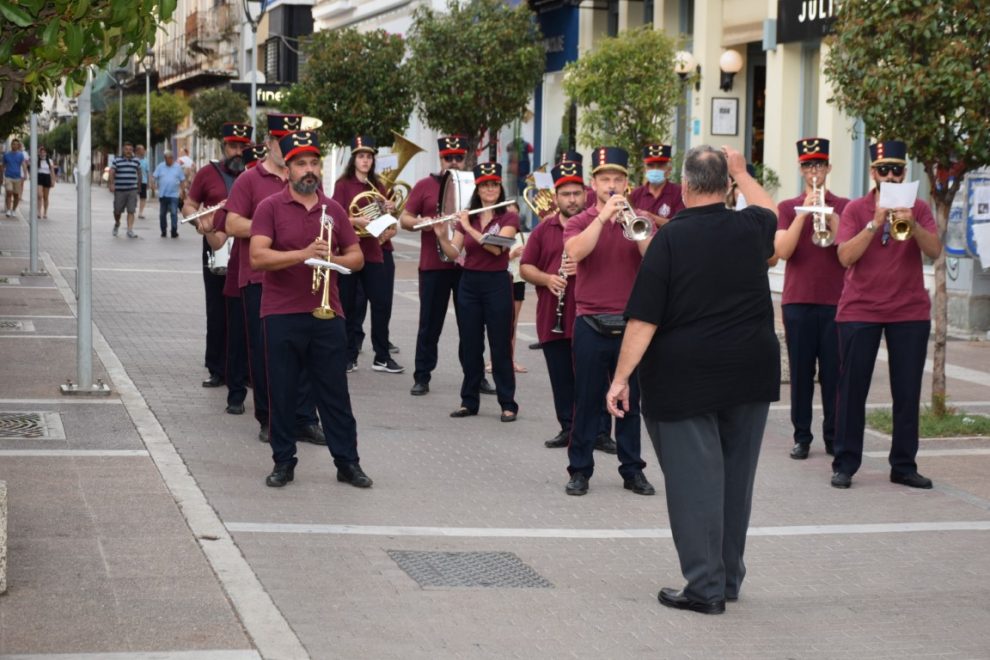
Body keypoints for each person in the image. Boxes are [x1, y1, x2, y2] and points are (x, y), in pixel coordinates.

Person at [606, 145, 780, 614]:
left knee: (694, 483)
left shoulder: (669, 240)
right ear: (726, 187)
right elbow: (770, 210)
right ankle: (725, 579)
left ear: (683, 188)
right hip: (750, 373)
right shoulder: (750, 227)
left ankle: (704, 588)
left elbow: (643, 320)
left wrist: (620, 378)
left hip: (686, 379)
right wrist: (744, 172)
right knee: (735, 482)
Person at [250, 129, 372, 489]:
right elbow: (258, 256)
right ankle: (283, 462)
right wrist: (303, 255)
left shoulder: (332, 209)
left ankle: (347, 463)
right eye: (301, 163)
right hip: (280, 313)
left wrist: (330, 258)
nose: (309, 170)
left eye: (314, 163)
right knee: (282, 392)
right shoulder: (269, 207)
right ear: (287, 169)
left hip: (327, 313)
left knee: (334, 392)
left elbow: (358, 258)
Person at [831, 140, 942, 490]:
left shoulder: (919, 207)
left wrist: (914, 224)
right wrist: (873, 223)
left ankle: (904, 465)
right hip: (860, 308)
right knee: (852, 389)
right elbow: (845, 257)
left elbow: (935, 251)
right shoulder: (854, 209)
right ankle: (845, 464)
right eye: (884, 170)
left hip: (908, 310)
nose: (890, 176)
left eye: (897, 170)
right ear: (873, 173)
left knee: (907, 391)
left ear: (905, 172)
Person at [226, 113, 325, 447]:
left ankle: (305, 419)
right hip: (260, 278)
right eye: (280, 140)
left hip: (306, 278)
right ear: (269, 143)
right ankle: (269, 419)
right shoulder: (249, 180)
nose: (285, 147)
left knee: (309, 353)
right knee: (266, 354)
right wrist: (273, 224)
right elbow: (232, 223)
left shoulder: (307, 178)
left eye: (292, 139)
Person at [561, 146, 655, 497]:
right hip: (590, 320)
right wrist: (603, 219)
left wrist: (632, 224)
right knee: (586, 400)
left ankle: (633, 471)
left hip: (631, 324)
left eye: (617, 179)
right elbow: (575, 253)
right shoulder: (580, 221)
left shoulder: (637, 218)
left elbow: (652, 256)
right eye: (605, 179)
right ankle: (580, 470)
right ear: (593, 184)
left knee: (631, 402)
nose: (611, 185)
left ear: (627, 183)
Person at [774, 138, 849, 460]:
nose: (814, 171)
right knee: (801, 374)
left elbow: (849, 249)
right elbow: (783, 251)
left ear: (828, 168)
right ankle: (801, 436)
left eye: (819, 165)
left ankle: (833, 436)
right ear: (801, 169)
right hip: (798, 301)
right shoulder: (787, 208)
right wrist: (805, 212)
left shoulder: (845, 206)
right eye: (808, 166)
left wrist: (828, 214)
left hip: (835, 301)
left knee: (833, 375)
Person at [435, 162, 520, 421]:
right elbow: (453, 253)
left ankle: (508, 403)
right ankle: (468, 401)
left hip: (496, 283)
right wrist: (441, 235)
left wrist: (468, 226)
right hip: (469, 283)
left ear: (500, 187)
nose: (490, 189)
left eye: (494, 184)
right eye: (485, 185)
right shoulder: (468, 217)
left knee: (500, 345)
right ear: (478, 189)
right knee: (470, 344)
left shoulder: (508, 216)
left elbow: (496, 248)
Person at [198, 142, 267, 417]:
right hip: (240, 275)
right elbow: (218, 242)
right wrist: (205, 228)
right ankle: (236, 394)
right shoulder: (237, 199)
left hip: (272, 277)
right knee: (237, 338)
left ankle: (264, 394)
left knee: (264, 342)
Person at [400, 136, 471, 396]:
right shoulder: (424, 185)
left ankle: (474, 376)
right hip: (433, 265)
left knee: (471, 325)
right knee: (429, 324)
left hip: (467, 266)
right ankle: (422, 376)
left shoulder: (472, 185)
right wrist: (425, 222)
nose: (453, 162)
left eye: (458, 158)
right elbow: (405, 219)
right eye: (448, 157)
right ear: (440, 159)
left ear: (465, 159)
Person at [184, 122, 250, 393]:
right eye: (233, 146)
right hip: (216, 244)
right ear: (224, 147)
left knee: (247, 310)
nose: (237, 152)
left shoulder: (256, 173)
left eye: (242, 147)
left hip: (248, 247)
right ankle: (217, 368)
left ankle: (244, 370)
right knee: (217, 308)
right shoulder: (207, 174)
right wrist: (199, 221)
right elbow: (190, 203)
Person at [520, 161, 582, 446]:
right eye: (566, 194)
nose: (572, 199)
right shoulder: (543, 230)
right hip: (552, 316)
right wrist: (546, 279)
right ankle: (568, 428)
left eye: (576, 193)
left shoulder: (596, 227)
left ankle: (600, 433)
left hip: (587, 316)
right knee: (561, 377)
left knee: (594, 379)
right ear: (555, 197)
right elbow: (525, 268)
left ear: (584, 194)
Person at [330, 135, 404, 374]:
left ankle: (381, 356)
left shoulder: (378, 187)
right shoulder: (342, 185)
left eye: (369, 156)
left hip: (373, 252)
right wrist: (355, 219)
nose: (365, 160)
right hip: (350, 252)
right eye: (361, 156)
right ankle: (348, 356)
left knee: (381, 304)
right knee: (349, 306)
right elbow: (335, 216)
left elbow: (384, 223)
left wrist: (389, 212)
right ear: (354, 159)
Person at [629, 144, 684, 228]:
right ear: (645, 169)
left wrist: (650, 217)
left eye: (660, 166)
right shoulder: (635, 194)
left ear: (669, 170)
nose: (655, 170)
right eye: (651, 166)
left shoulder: (679, 193)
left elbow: (681, 224)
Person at [109, 142, 142, 238]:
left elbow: (139, 173)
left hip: (132, 190)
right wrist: (112, 184)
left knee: (131, 210)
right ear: (123, 150)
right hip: (119, 190)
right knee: (117, 211)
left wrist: (139, 186)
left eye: (130, 149)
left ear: (132, 151)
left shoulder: (136, 161)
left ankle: (130, 230)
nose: (128, 151)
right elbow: (112, 172)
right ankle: (117, 223)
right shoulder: (117, 160)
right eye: (126, 149)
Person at [153, 151, 185, 238]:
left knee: (174, 213)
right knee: (162, 214)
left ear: (172, 158)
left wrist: (182, 191)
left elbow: (182, 180)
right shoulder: (160, 166)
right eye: (166, 159)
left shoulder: (177, 167)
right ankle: (163, 230)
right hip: (163, 194)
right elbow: (155, 176)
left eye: (170, 159)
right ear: (165, 159)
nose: (168, 161)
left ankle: (174, 230)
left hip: (174, 195)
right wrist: (153, 185)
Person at [3, 138, 27, 217]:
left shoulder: (20, 155)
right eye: (14, 144)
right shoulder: (6, 155)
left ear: (18, 146)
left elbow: (23, 164)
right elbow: (3, 166)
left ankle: (13, 210)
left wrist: (25, 174)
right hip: (8, 176)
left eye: (17, 144)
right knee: (9, 192)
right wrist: (1, 176)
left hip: (17, 177)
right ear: (11, 145)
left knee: (16, 195)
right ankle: (8, 210)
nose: (15, 146)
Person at [34, 145, 55, 219]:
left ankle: (45, 212)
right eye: (41, 152)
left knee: (46, 197)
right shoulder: (37, 160)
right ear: (39, 153)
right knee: (39, 195)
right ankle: (39, 212)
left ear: (46, 153)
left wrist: (53, 181)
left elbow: (52, 171)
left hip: (47, 177)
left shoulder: (49, 161)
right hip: (39, 177)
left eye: (44, 152)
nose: (42, 154)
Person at [136, 144, 150, 219]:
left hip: (143, 182)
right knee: (133, 197)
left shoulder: (146, 161)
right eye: (142, 150)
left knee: (143, 198)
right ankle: (132, 209)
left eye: (144, 149)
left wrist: (148, 182)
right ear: (138, 151)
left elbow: (147, 172)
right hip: (134, 182)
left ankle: (140, 213)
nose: (144, 151)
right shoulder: (135, 160)